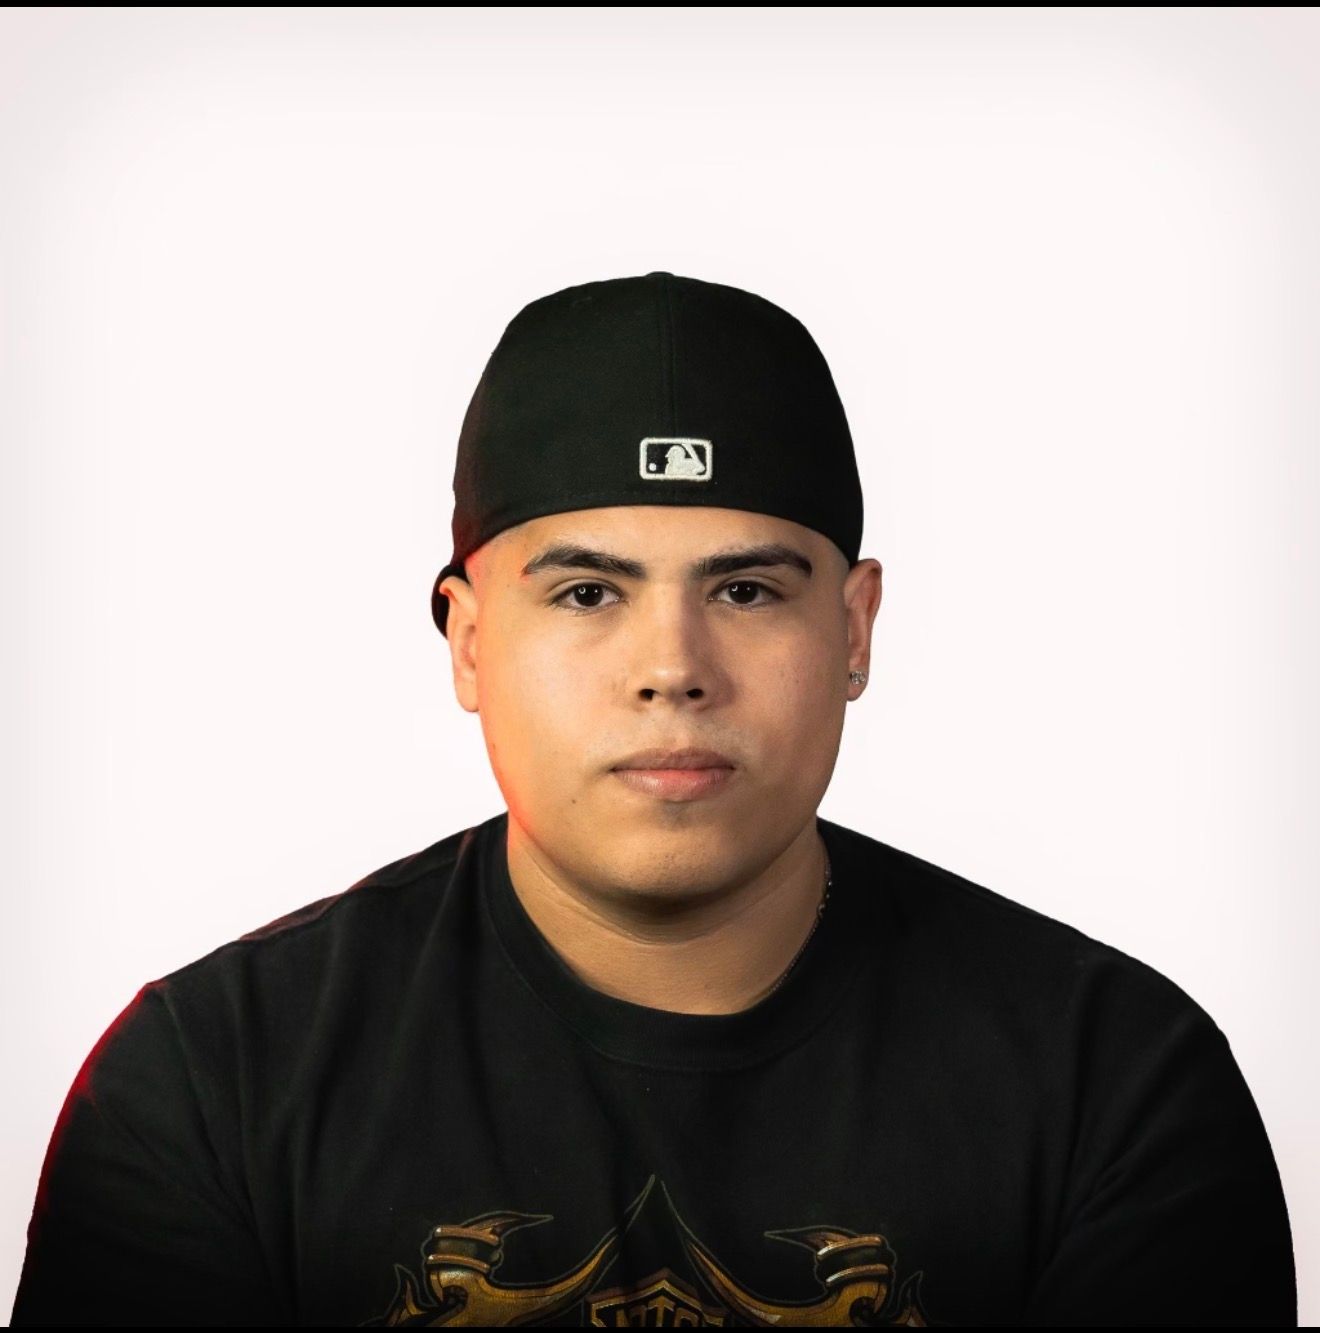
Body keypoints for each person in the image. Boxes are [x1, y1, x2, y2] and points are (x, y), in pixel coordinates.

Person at [10, 272, 1296, 1327]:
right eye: (587, 593)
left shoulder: (1113, 1085)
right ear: (466, 639)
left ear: (854, 629)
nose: (673, 667)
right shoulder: (216, 1085)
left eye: (746, 590)